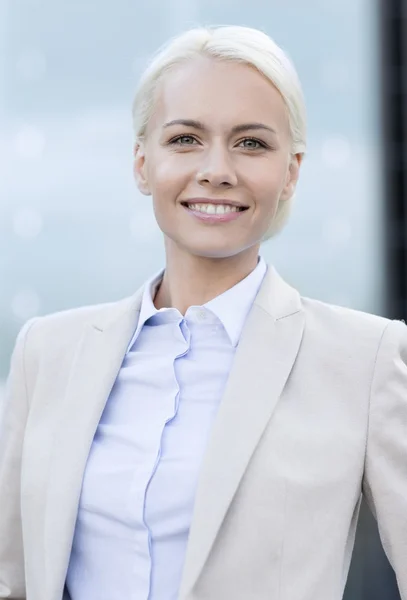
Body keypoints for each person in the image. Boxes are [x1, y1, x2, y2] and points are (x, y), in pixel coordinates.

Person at [0, 24, 406, 600]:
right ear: (143, 163)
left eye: (251, 143)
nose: (216, 168)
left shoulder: (365, 359)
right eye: (186, 138)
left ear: (290, 172)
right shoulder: (47, 352)